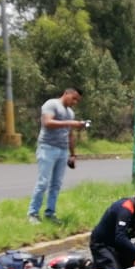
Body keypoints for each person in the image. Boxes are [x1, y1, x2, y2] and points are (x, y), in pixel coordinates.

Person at [27, 88, 87, 224]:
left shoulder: (70, 113)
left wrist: (73, 154)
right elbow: (47, 122)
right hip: (47, 148)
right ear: (66, 93)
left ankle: (50, 213)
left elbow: (70, 135)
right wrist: (70, 123)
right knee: (43, 182)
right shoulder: (51, 104)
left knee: (56, 184)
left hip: (62, 150)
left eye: (77, 100)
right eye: (74, 98)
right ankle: (33, 213)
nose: (75, 102)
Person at [89, 190, 135, 269]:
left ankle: (98, 267)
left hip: (118, 246)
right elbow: (120, 238)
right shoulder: (126, 208)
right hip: (102, 245)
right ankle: (88, 267)